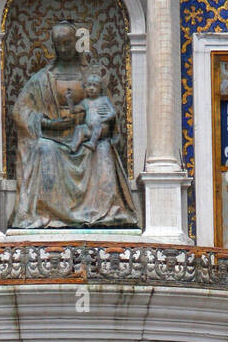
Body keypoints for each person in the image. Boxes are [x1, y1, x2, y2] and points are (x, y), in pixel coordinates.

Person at [10, 23, 138, 229]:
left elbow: (108, 111)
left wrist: (106, 126)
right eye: (59, 44)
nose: (64, 48)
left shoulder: (92, 76)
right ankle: (51, 214)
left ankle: (106, 212)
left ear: (76, 43)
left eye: (68, 43)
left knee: (104, 149)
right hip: (54, 138)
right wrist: (49, 124)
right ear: (53, 46)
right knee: (44, 148)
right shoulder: (42, 79)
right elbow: (20, 111)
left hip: (90, 138)